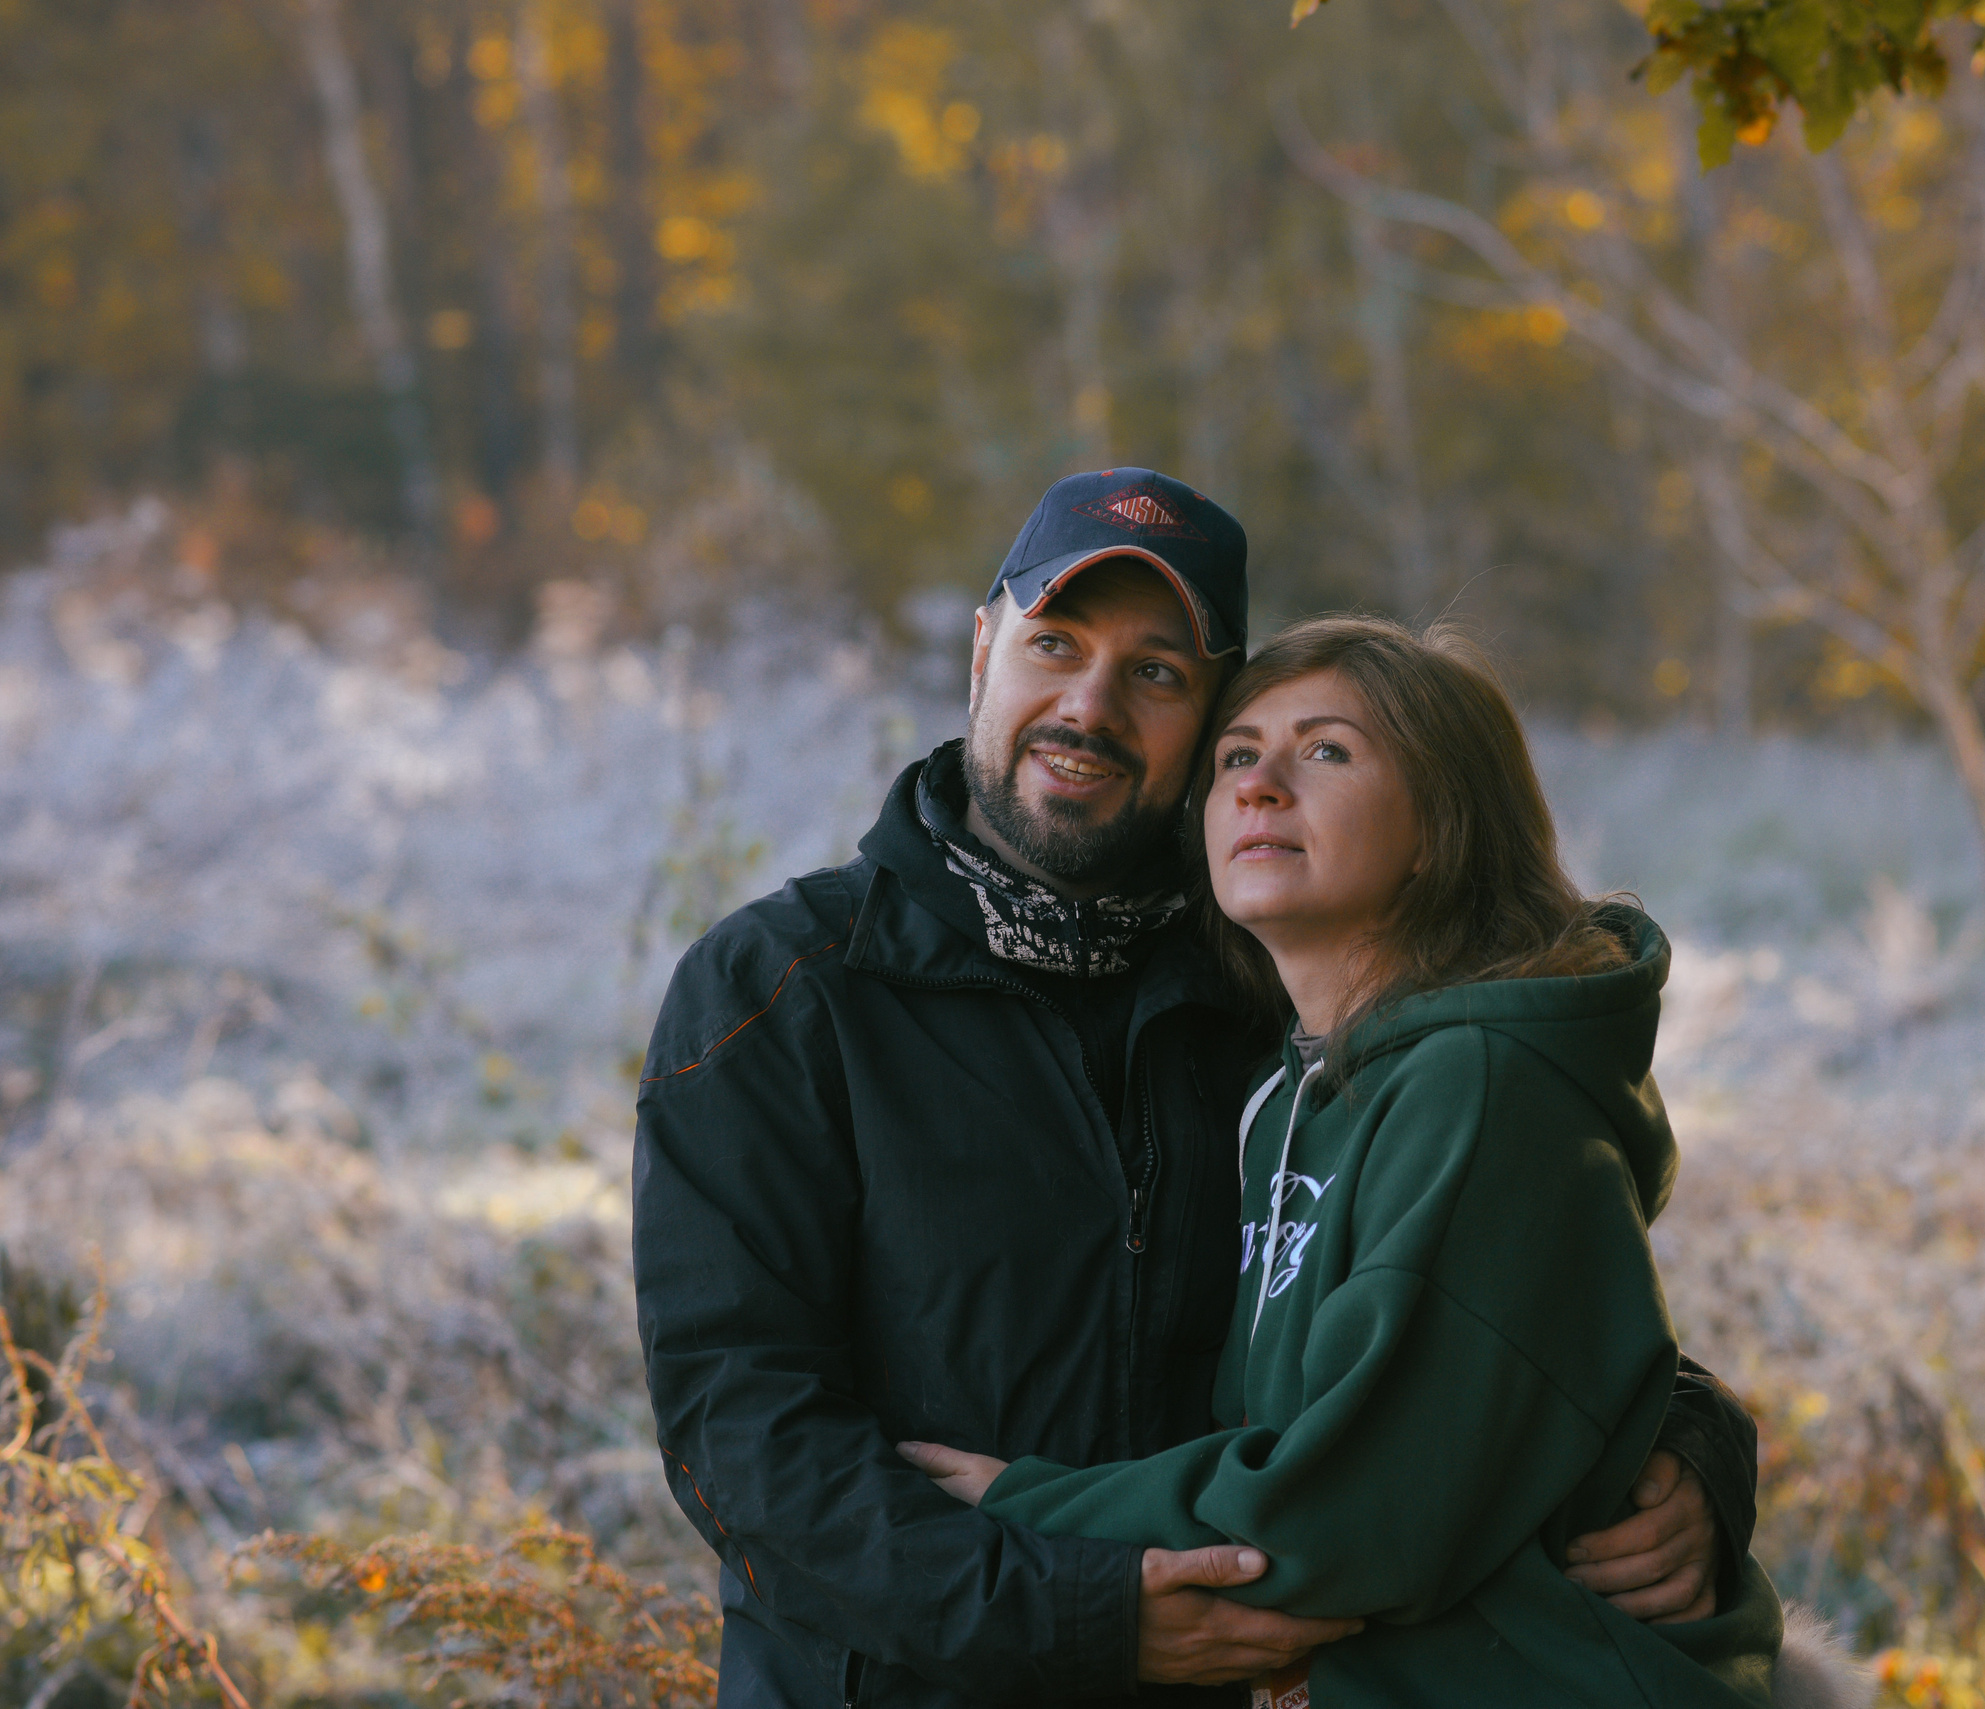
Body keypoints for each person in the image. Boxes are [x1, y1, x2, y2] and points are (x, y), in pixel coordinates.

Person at [634, 471, 1757, 1709]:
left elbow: (1487, 1300)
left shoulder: (1278, 991)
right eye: (1055, 644)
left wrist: (1690, 1444)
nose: (1090, 705)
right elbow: (742, 1426)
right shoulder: (785, 989)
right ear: (982, 649)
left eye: (1158, 673)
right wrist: (1078, 1615)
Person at [895, 616, 1795, 1708]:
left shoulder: (1480, 1088)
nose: (1259, 784)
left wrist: (1025, 1504)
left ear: (1441, 828)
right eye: (1237, 755)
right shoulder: (1284, 1089)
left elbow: (1361, 1510)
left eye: (1327, 749)